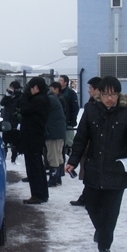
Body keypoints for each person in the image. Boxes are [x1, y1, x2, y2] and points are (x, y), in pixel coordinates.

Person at [65, 76, 127, 252]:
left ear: (119, 94)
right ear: (99, 94)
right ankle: (102, 231)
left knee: (110, 212)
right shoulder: (91, 110)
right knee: (92, 205)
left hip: (116, 170)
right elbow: (81, 138)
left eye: (114, 94)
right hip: (93, 168)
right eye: (106, 94)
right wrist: (73, 160)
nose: (110, 98)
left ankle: (105, 246)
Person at [69, 76, 102, 206]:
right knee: (88, 172)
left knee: (92, 172)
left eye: (91, 88)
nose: (89, 91)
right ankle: (86, 196)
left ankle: (90, 198)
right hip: (88, 145)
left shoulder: (100, 107)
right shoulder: (91, 105)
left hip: (95, 146)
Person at [19, 77, 51, 204]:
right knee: (38, 166)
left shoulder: (39, 100)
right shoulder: (43, 99)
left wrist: (24, 97)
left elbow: (24, 109)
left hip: (32, 137)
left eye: (30, 88)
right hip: (35, 137)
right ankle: (42, 194)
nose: (29, 91)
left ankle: (38, 194)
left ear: (36, 88)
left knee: (34, 168)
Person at [45, 85, 66, 187]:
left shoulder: (48, 100)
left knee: (53, 155)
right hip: (59, 131)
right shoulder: (53, 98)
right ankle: (58, 177)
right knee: (58, 155)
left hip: (52, 132)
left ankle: (53, 179)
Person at [0, 80, 23, 163]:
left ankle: (14, 159)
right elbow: (2, 103)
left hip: (15, 123)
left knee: (15, 143)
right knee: (4, 141)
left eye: (13, 88)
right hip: (7, 122)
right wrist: (7, 96)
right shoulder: (9, 97)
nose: (11, 89)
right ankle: (4, 158)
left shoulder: (20, 97)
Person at [58, 75, 80, 153]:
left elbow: (75, 108)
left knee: (68, 141)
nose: (58, 81)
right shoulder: (57, 92)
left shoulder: (71, 93)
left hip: (68, 121)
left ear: (65, 82)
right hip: (60, 121)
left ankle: (68, 151)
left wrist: (72, 119)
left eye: (61, 80)